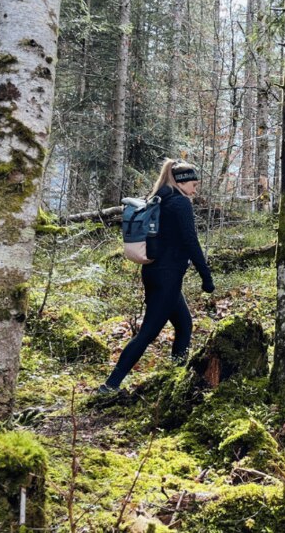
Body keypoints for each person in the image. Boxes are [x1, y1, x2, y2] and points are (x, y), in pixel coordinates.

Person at [97, 159, 215, 394]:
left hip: (153, 273)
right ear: (182, 182)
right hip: (167, 278)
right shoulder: (180, 204)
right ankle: (110, 385)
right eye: (194, 184)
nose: (195, 189)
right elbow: (190, 240)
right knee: (148, 332)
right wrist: (206, 276)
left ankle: (176, 378)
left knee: (184, 325)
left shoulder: (160, 198)